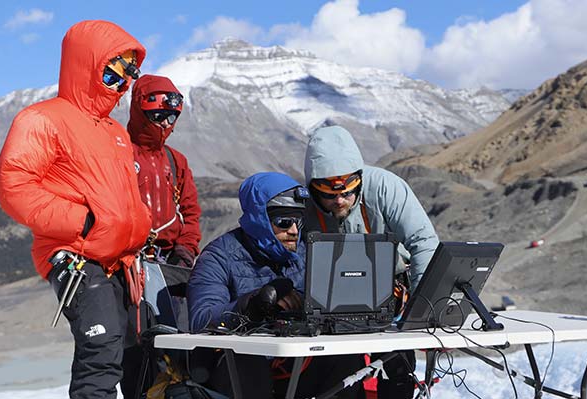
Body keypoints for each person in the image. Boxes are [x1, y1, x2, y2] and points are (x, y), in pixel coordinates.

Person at [0, 20, 151, 399]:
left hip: (122, 260)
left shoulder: (115, 132)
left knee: (136, 353)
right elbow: (14, 185)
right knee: (100, 353)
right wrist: (83, 222)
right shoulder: (42, 119)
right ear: (88, 64)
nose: (123, 84)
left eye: (129, 75)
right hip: (77, 255)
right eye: (114, 73)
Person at [187, 172, 365, 398]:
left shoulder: (306, 252)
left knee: (346, 359)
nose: (294, 230)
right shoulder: (219, 256)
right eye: (283, 222)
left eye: (299, 221)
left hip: (293, 364)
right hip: (233, 370)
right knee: (247, 358)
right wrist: (251, 305)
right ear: (258, 220)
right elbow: (200, 319)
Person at [303, 125, 440, 399]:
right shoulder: (303, 205)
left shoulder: (386, 187)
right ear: (314, 188)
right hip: (329, 298)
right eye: (329, 195)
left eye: (347, 192)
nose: (339, 200)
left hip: (393, 293)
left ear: (359, 180)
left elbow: (423, 241)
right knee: (338, 371)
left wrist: (421, 310)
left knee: (396, 366)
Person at [121, 75, 203, 399]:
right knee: (135, 353)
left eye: (172, 117)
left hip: (171, 267)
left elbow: (191, 211)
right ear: (142, 112)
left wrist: (186, 250)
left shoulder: (175, 160)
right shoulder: (118, 153)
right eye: (159, 115)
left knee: (176, 348)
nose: (166, 123)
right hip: (129, 269)